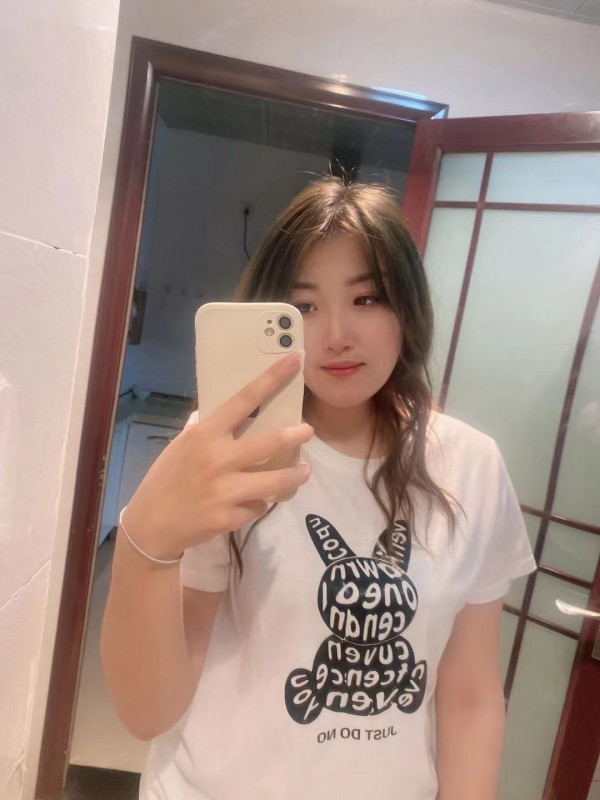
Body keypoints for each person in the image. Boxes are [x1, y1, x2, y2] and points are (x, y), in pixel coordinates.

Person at [101, 176, 537, 800]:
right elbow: (149, 711)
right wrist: (146, 542)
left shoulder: (472, 467)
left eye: (367, 298)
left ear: (408, 308)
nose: (335, 334)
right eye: (302, 307)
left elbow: (469, 697)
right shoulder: (229, 453)